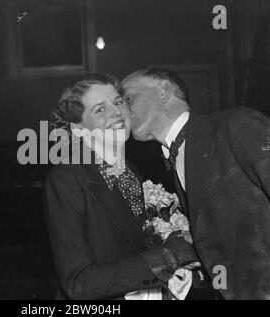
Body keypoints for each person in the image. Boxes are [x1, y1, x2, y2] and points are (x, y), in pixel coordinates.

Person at [43, 74, 199, 300]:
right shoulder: (66, 179)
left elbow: (135, 253)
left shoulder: (130, 171)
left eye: (118, 102)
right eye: (100, 109)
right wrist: (168, 257)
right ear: (78, 129)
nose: (117, 112)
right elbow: (79, 284)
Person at [122, 67, 270, 300]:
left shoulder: (235, 124)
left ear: (163, 91)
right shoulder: (175, 164)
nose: (121, 111)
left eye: (128, 98)